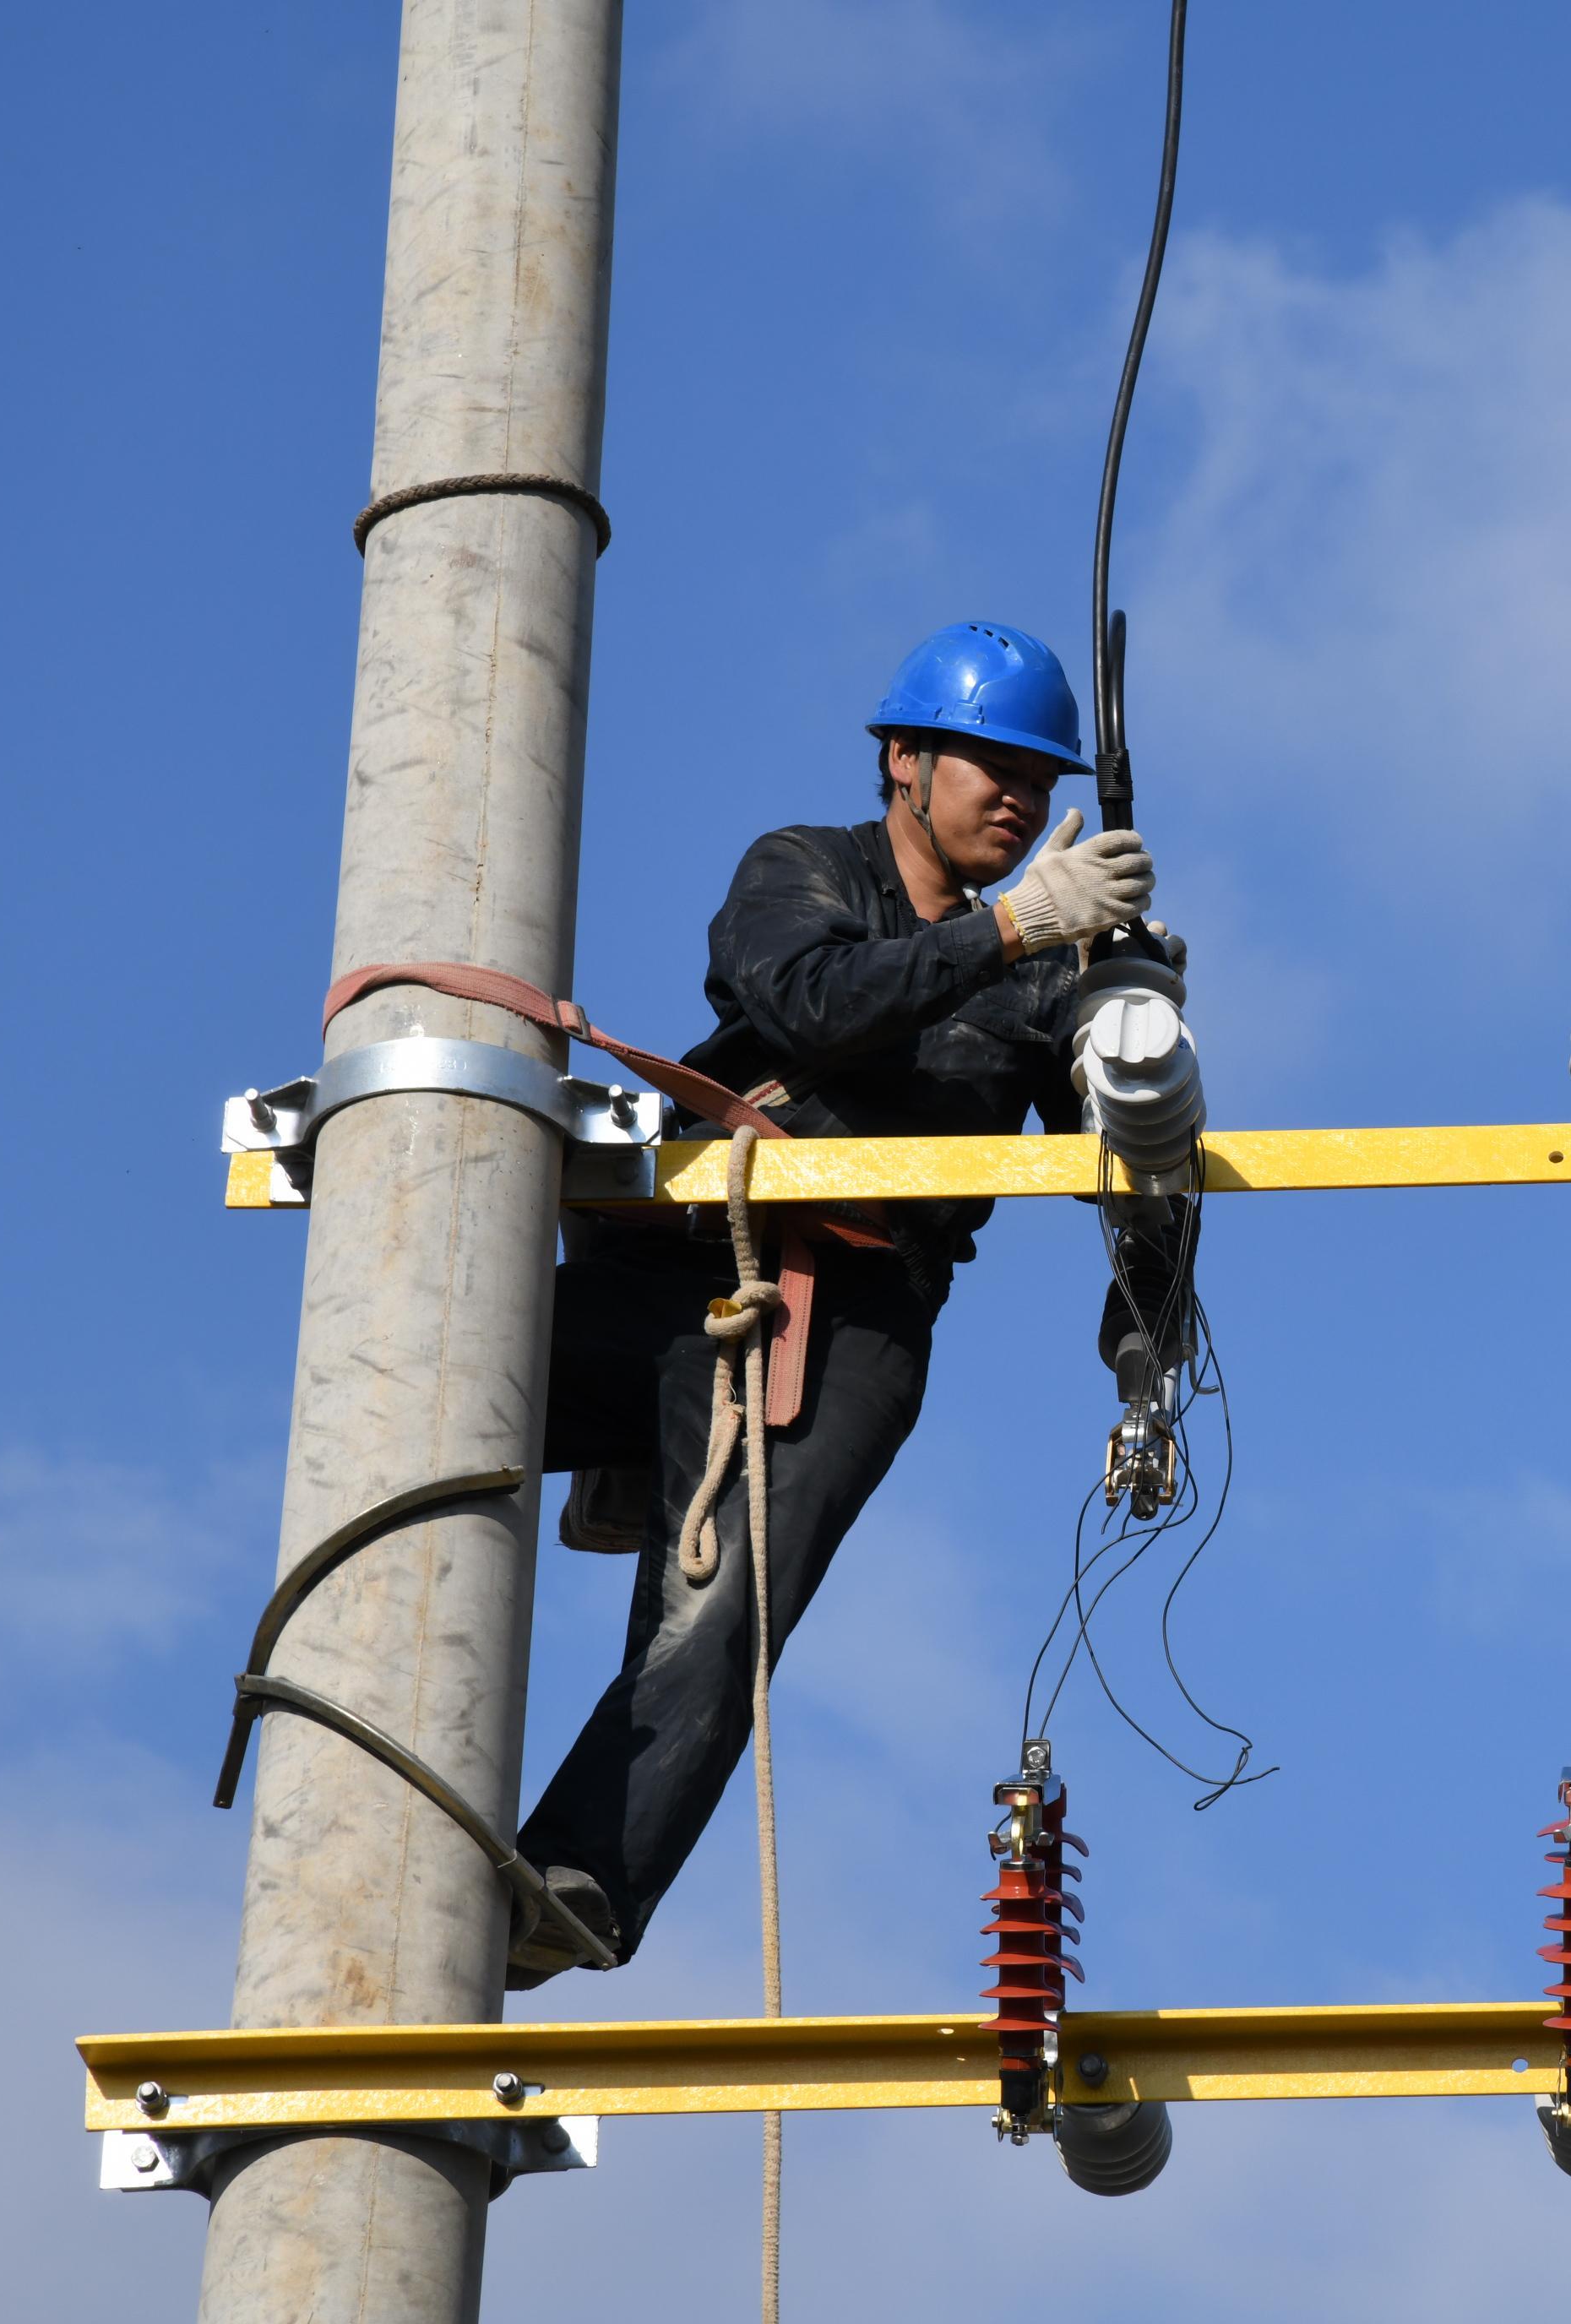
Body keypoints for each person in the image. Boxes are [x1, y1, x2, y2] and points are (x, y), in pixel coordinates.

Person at [506, 621, 1155, 1985]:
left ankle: (569, 1885)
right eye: (990, 763)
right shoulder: (804, 869)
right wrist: (1017, 925)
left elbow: (1118, 1156)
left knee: (727, 1604)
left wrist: (1125, 1006)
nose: (1021, 797)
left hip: (852, 1318)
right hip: (683, 1265)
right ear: (904, 762)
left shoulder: (1043, 966)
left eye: (1040, 775)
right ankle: (360, 1687)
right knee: (439, 1393)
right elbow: (809, 1004)